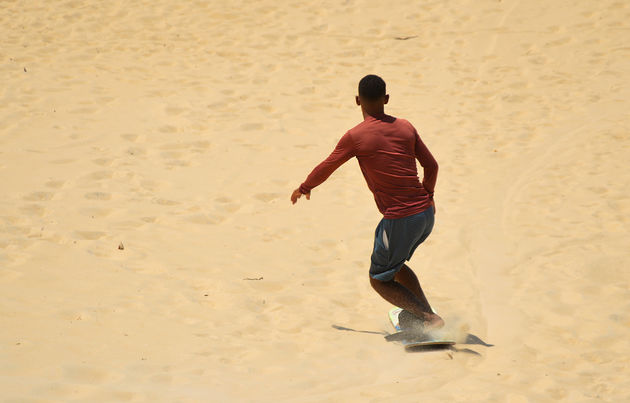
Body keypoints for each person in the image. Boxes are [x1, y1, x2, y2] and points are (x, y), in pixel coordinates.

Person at [290, 74, 444, 329]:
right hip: (425, 215)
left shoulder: (356, 136)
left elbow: (328, 166)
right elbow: (432, 166)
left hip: (400, 218)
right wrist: (429, 196)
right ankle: (424, 312)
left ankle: (429, 319)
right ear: (386, 99)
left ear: (357, 100)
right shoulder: (406, 127)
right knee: (394, 267)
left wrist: (304, 187)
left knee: (378, 279)